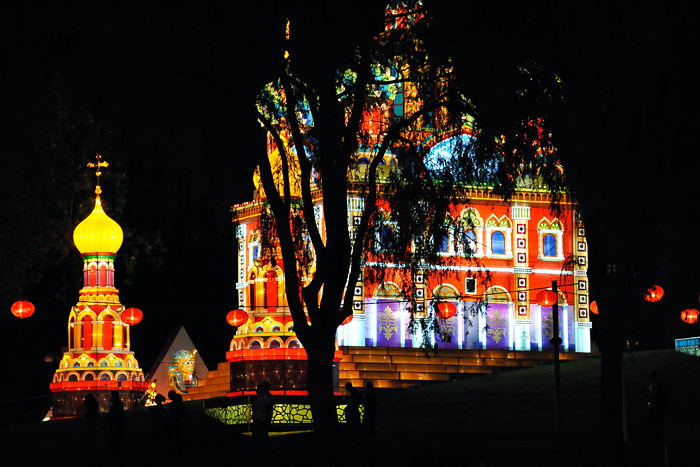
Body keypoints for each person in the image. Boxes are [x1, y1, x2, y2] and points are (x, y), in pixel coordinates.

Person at [251, 381, 275, 449]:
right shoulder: (267, 395)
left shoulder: (265, 396)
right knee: (262, 432)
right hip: (265, 416)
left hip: (263, 416)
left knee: (262, 432)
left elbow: (266, 406)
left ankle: (270, 445)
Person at [648, 370, 667, 442]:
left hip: (656, 404)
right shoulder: (652, 383)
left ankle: (658, 436)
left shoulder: (657, 384)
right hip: (653, 404)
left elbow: (658, 395)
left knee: (657, 420)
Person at [108, 390, 124, 458]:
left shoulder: (116, 405)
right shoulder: (118, 403)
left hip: (116, 427)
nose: (111, 397)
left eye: (112, 395)